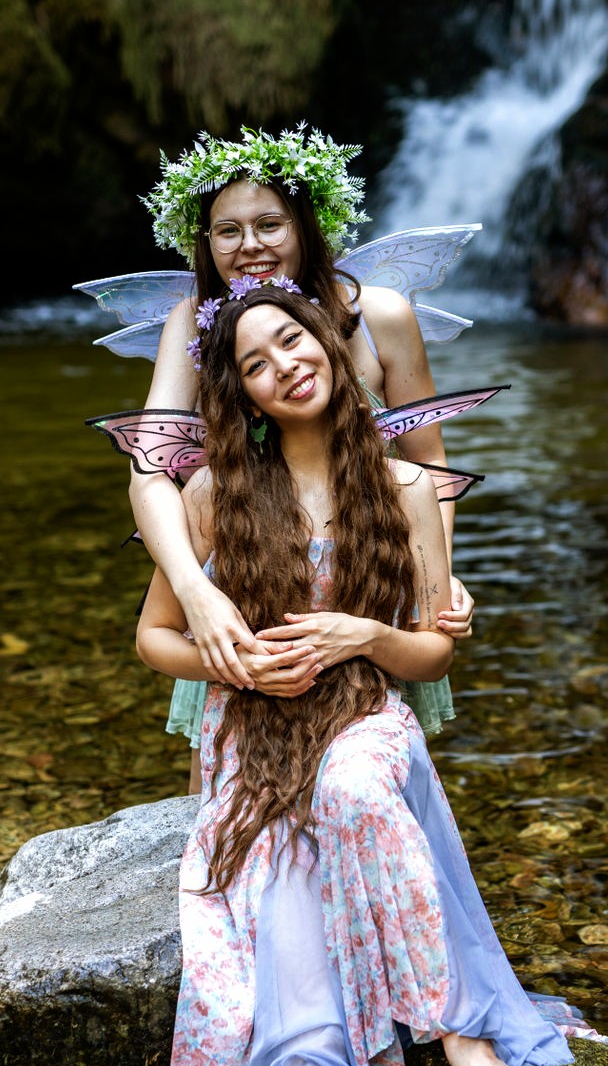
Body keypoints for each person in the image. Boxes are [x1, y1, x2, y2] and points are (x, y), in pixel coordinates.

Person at [135, 287, 607, 1066]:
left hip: (367, 728)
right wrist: (230, 658)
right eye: (254, 362)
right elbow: (152, 638)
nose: (282, 367)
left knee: (351, 787)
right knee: (295, 1010)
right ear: (241, 393)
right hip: (257, 752)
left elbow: (434, 649)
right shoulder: (215, 491)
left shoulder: (403, 481)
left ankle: (460, 1042)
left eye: (293, 341)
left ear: (334, 349)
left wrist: (357, 632)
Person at [132, 126, 474, 791]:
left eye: (269, 224)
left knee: (362, 782)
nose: (250, 245)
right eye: (226, 231)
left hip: (365, 578)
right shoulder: (192, 325)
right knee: (243, 790)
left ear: (307, 226)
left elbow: (427, 461)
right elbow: (150, 472)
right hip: (252, 583)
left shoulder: (381, 316)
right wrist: (196, 593)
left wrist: (437, 580)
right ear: (202, 243)